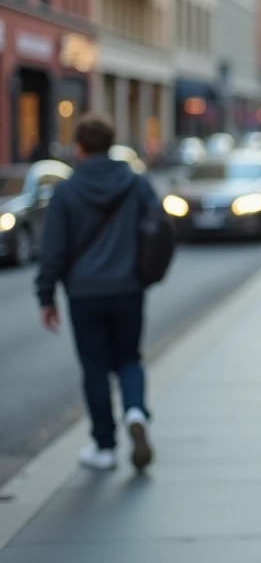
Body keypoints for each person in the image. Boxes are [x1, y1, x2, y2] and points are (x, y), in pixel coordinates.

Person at [36, 114, 159, 472]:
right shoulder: (136, 184)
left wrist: (46, 297)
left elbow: (53, 250)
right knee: (129, 359)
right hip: (128, 288)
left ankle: (104, 446)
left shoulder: (68, 191)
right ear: (110, 144)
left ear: (79, 148)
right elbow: (158, 229)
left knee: (95, 368)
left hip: (85, 294)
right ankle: (135, 411)